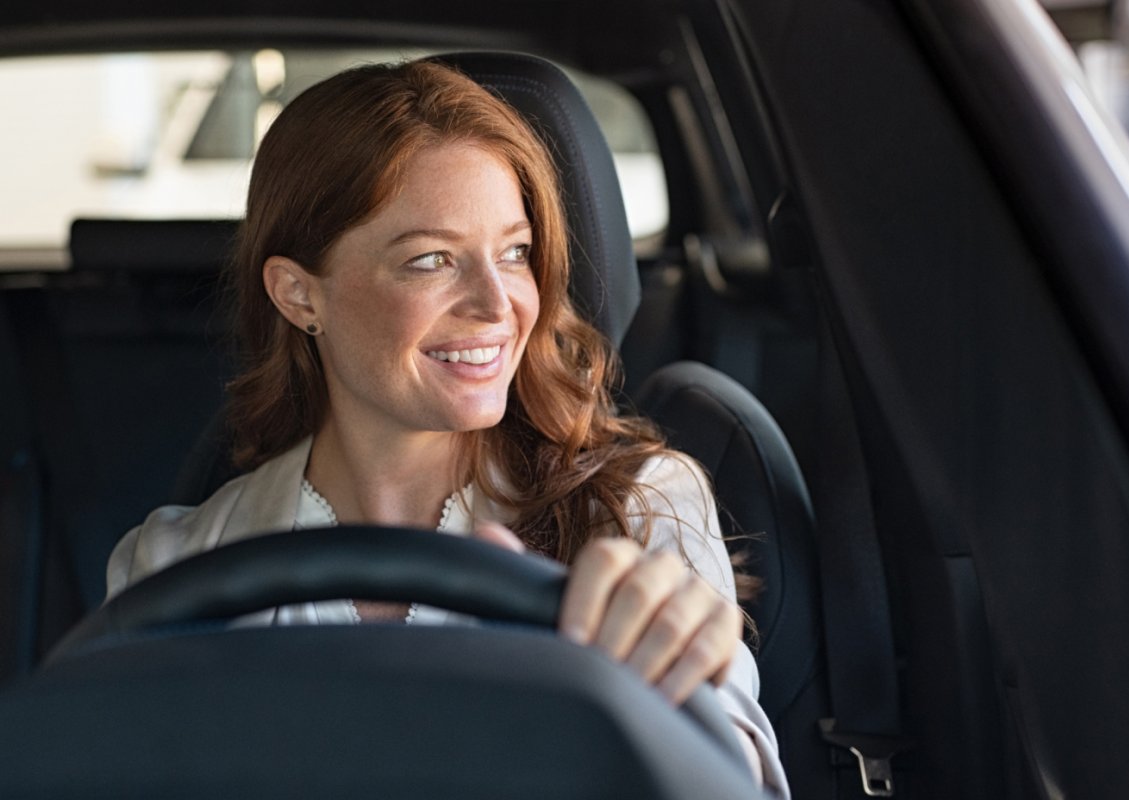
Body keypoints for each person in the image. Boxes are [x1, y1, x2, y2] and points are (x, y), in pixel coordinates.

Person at [105, 59, 788, 795]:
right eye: (431, 260)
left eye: (515, 253)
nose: (498, 305)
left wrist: (667, 689)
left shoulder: (635, 510)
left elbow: (733, 777)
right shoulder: (172, 568)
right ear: (299, 295)